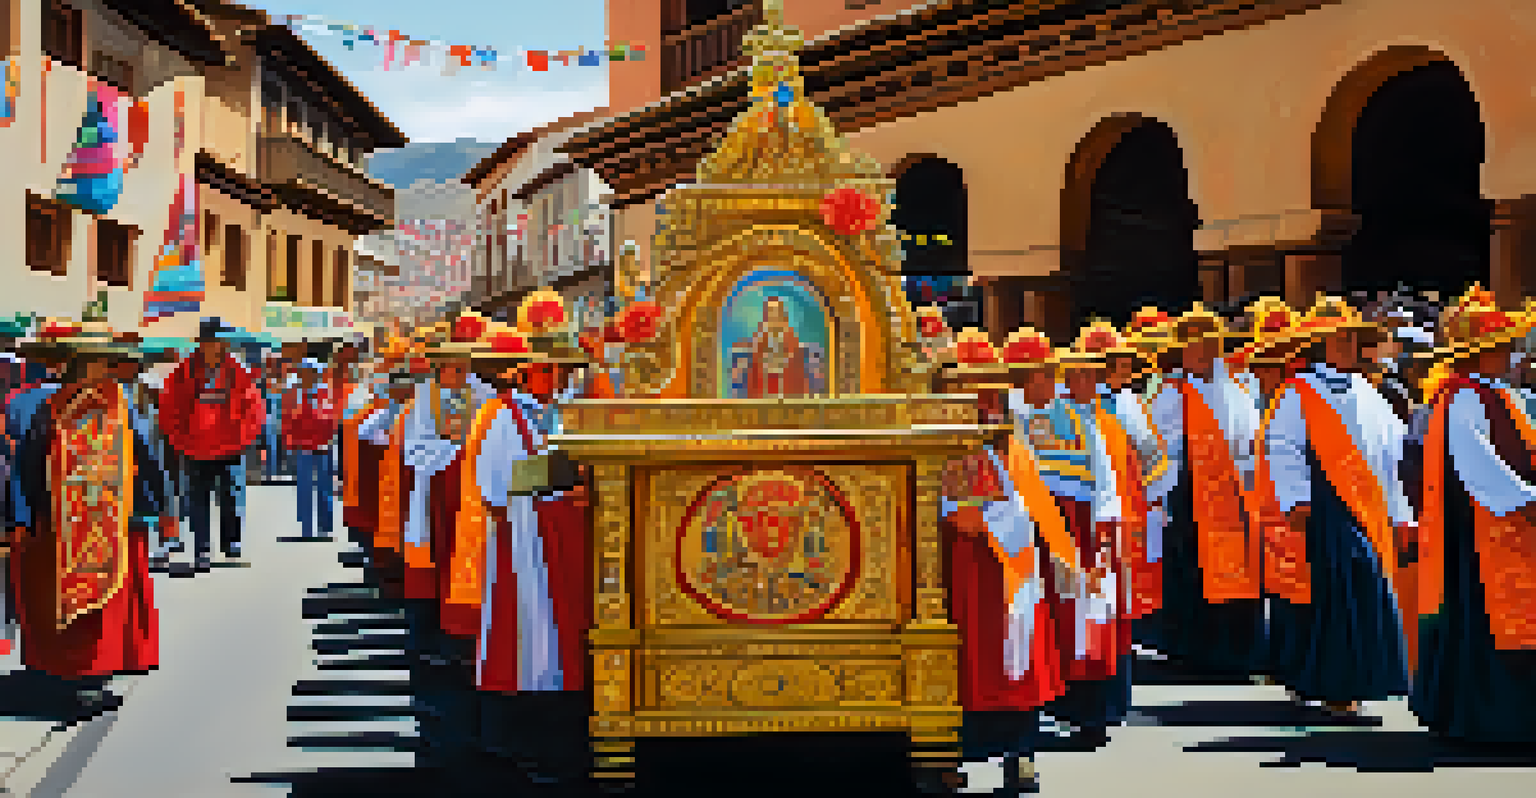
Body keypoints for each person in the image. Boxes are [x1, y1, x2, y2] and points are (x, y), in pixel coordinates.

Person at [942, 327, 1080, 795]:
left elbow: (1037, 496)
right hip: (967, 565)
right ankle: (951, 753)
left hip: (1014, 565)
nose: (985, 395)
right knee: (969, 658)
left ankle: (1021, 752)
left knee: (1020, 655)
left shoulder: (1012, 436)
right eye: (971, 384)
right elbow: (958, 516)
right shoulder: (947, 439)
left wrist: (1060, 553)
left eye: (990, 385)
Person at [1261, 296, 1414, 715]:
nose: (1349, 345)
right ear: (1323, 344)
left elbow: (1392, 451)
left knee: (1356, 590)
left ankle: (1348, 680)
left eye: (1352, 338)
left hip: (1369, 505)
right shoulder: (1300, 390)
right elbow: (1284, 446)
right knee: (1344, 589)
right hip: (1326, 503)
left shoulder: (1368, 390)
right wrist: (1297, 498)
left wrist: (1402, 511)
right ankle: (1334, 684)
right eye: (1341, 338)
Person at [10, 325, 168, 718]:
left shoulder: (113, 403)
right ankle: (80, 679)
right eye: (99, 362)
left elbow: (145, 455)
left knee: (77, 603)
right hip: (77, 521)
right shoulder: (70, 405)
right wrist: (25, 514)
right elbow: (29, 461)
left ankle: (74, 675)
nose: (105, 369)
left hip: (84, 518)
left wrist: (161, 505)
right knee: (80, 603)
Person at [461, 329, 592, 785]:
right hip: (521, 532)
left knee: (539, 635)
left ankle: (535, 728)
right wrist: (563, 477)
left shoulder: (527, 414)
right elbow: (497, 484)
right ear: (529, 373)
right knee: (525, 635)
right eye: (552, 372)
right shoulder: (499, 417)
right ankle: (518, 738)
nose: (558, 381)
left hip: (535, 528)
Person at [1409, 287, 1536, 744]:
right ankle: (1487, 718)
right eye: (1497, 349)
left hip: (1505, 523)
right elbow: (1477, 463)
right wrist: (1524, 499)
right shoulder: (1461, 398)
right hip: (1481, 529)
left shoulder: (1499, 395)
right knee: (1485, 621)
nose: (1507, 356)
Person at [1145, 305, 1265, 678]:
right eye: (1191, 347)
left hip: (1236, 493)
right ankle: (1193, 649)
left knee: (1237, 574)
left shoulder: (1238, 386)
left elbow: (1250, 433)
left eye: (1206, 345)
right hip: (1188, 493)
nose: (1199, 353)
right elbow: (1157, 445)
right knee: (1190, 572)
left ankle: (1235, 650)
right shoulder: (1170, 393)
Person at [1036, 323, 1135, 749]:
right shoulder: (1049, 417)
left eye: (1094, 373)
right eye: (1080, 373)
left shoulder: (1103, 416)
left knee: (1098, 615)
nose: (1088, 380)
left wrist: (1109, 527)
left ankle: (1099, 708)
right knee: (1069, 614)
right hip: (1066, 525)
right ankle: (1072, 705)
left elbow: (1113, 477)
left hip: (1097, 525)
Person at [159, 318, 265, 572]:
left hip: (230, 446)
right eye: (216, 341)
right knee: (198, 500)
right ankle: (202, 549)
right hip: (195, 447)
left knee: (231, 497)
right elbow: (169, 407)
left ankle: (232, 546)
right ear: (205, 342)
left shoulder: (236, 368)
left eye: (222, 341)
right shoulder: (185, 370)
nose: (220, 345)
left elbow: (253, 405)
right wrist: (180, 439)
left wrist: (244, 437)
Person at [284, 359, 342, 541]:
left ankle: (325, 527)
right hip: (302, 446)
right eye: (304, 371)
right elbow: (287, 418)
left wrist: (331, 437)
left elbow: (333, 416)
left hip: (324, 446)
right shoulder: (294, 392)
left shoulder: (325, 392)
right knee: (304, 488)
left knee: (325, 488)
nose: (307, 375)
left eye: (311, 371)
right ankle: (306, 528)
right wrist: (289, 441)